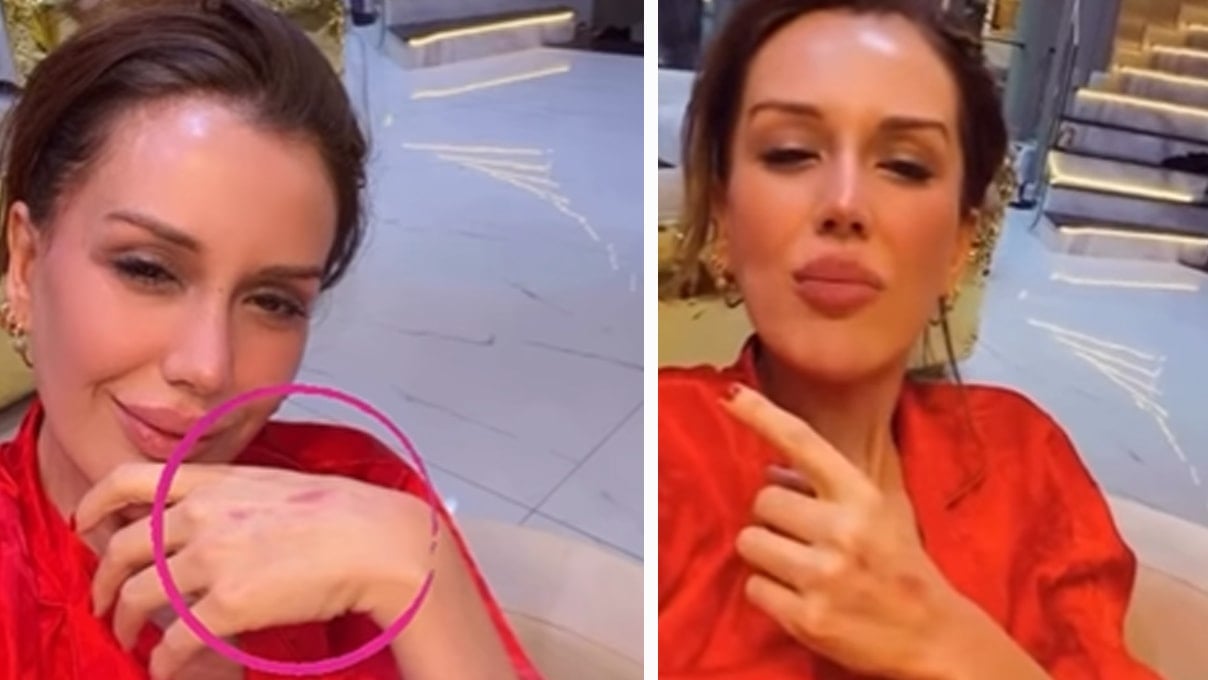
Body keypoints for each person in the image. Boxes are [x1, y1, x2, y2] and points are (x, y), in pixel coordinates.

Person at [0, 1, 539, 678]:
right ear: (26, 265)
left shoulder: (363, 499)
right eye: (147, 270)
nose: (207, 366)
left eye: (273, 302)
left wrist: (427, 586)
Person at [658, 0, 1160, 678]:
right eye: (790, 152)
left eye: (904, 165)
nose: (844, 205)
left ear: (958, 245)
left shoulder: (1025, 463)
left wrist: (949, 645)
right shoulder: (666, 453)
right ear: (724, 219)